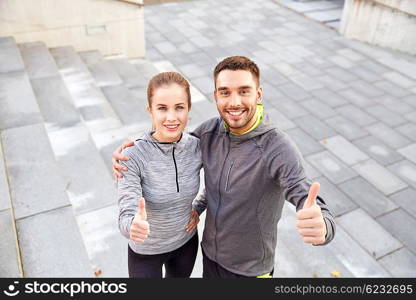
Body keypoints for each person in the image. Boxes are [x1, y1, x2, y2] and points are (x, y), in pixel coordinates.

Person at [113, 56, 336, 278]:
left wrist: (322, 226)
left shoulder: (278, 148)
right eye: (225, 92)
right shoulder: (207, 134)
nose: (234, 102)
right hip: (209, 257)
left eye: (244, 91)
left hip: (250, 271)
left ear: (258, 95)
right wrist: (129, 155)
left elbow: (307, 196)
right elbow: (171, 144)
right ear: (216, 96)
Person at [118, 71, 202, 278]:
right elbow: (125, 212)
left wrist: (199, 207)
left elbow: (220, 176)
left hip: (186, 244)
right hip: (146, 252)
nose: (171, 117)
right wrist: (132, 226)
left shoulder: (197, 146)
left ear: (188, 109)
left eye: (179, 107)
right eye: (162, 108)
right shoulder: (133, 155)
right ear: (150, 111)